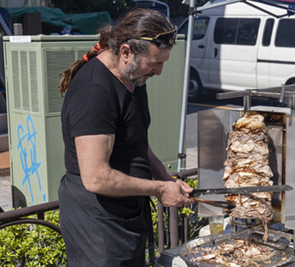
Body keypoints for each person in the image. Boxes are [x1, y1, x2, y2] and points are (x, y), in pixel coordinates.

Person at [58, 8, 194, 266]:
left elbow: (135, 143)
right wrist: (159, 189)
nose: (159, 71)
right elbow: (97, 178)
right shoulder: (94, 93)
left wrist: (165, 178)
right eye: (154, 63)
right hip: (97, 221)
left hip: (125, 210)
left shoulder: (132, 77)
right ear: (125, 52)